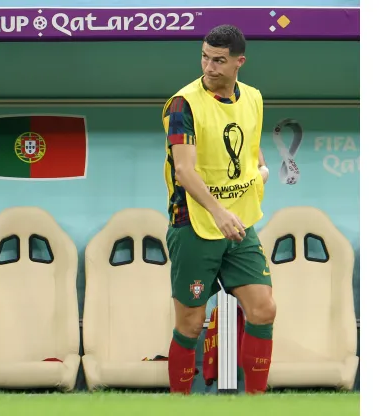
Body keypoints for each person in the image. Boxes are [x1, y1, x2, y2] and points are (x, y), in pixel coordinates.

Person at [161, 24, 276, 395]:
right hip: (194, 224)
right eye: (205, 58)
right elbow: (184, 170)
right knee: (191, 325)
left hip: (240, 225)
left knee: (263, 310)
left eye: (219, 61)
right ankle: (180, 403)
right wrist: (218, 212)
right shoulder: (184, 104)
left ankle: (254, 403)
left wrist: (260, 167)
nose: (209, 67)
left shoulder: (254, 97)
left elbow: (249, 143)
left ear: (239, 62)